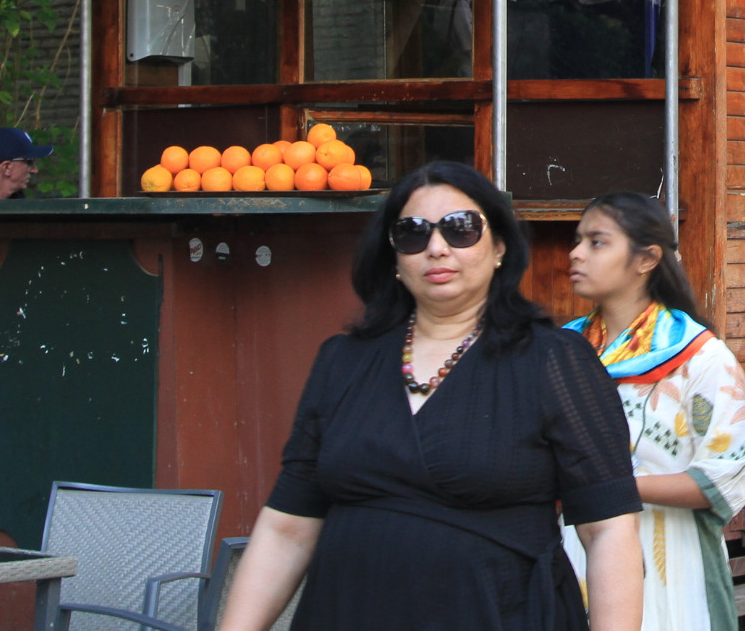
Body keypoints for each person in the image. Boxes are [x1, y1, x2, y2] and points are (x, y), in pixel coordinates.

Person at [216, 161, 644, 631]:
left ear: (499, 247)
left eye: (461, 229)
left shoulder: (554, 360)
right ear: (394, 256)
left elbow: (609, 531)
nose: (437, 248)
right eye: (413, 233)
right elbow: (287, 527)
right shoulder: (343, 361)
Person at [562, 192, 745, 631]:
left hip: (673, 564)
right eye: (578, 240)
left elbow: (723, 477)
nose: (576, 253)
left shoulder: (699, 358)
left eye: (597, 242)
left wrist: (612, 489)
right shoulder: (561, 353)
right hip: (571, 553)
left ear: (646, 259)